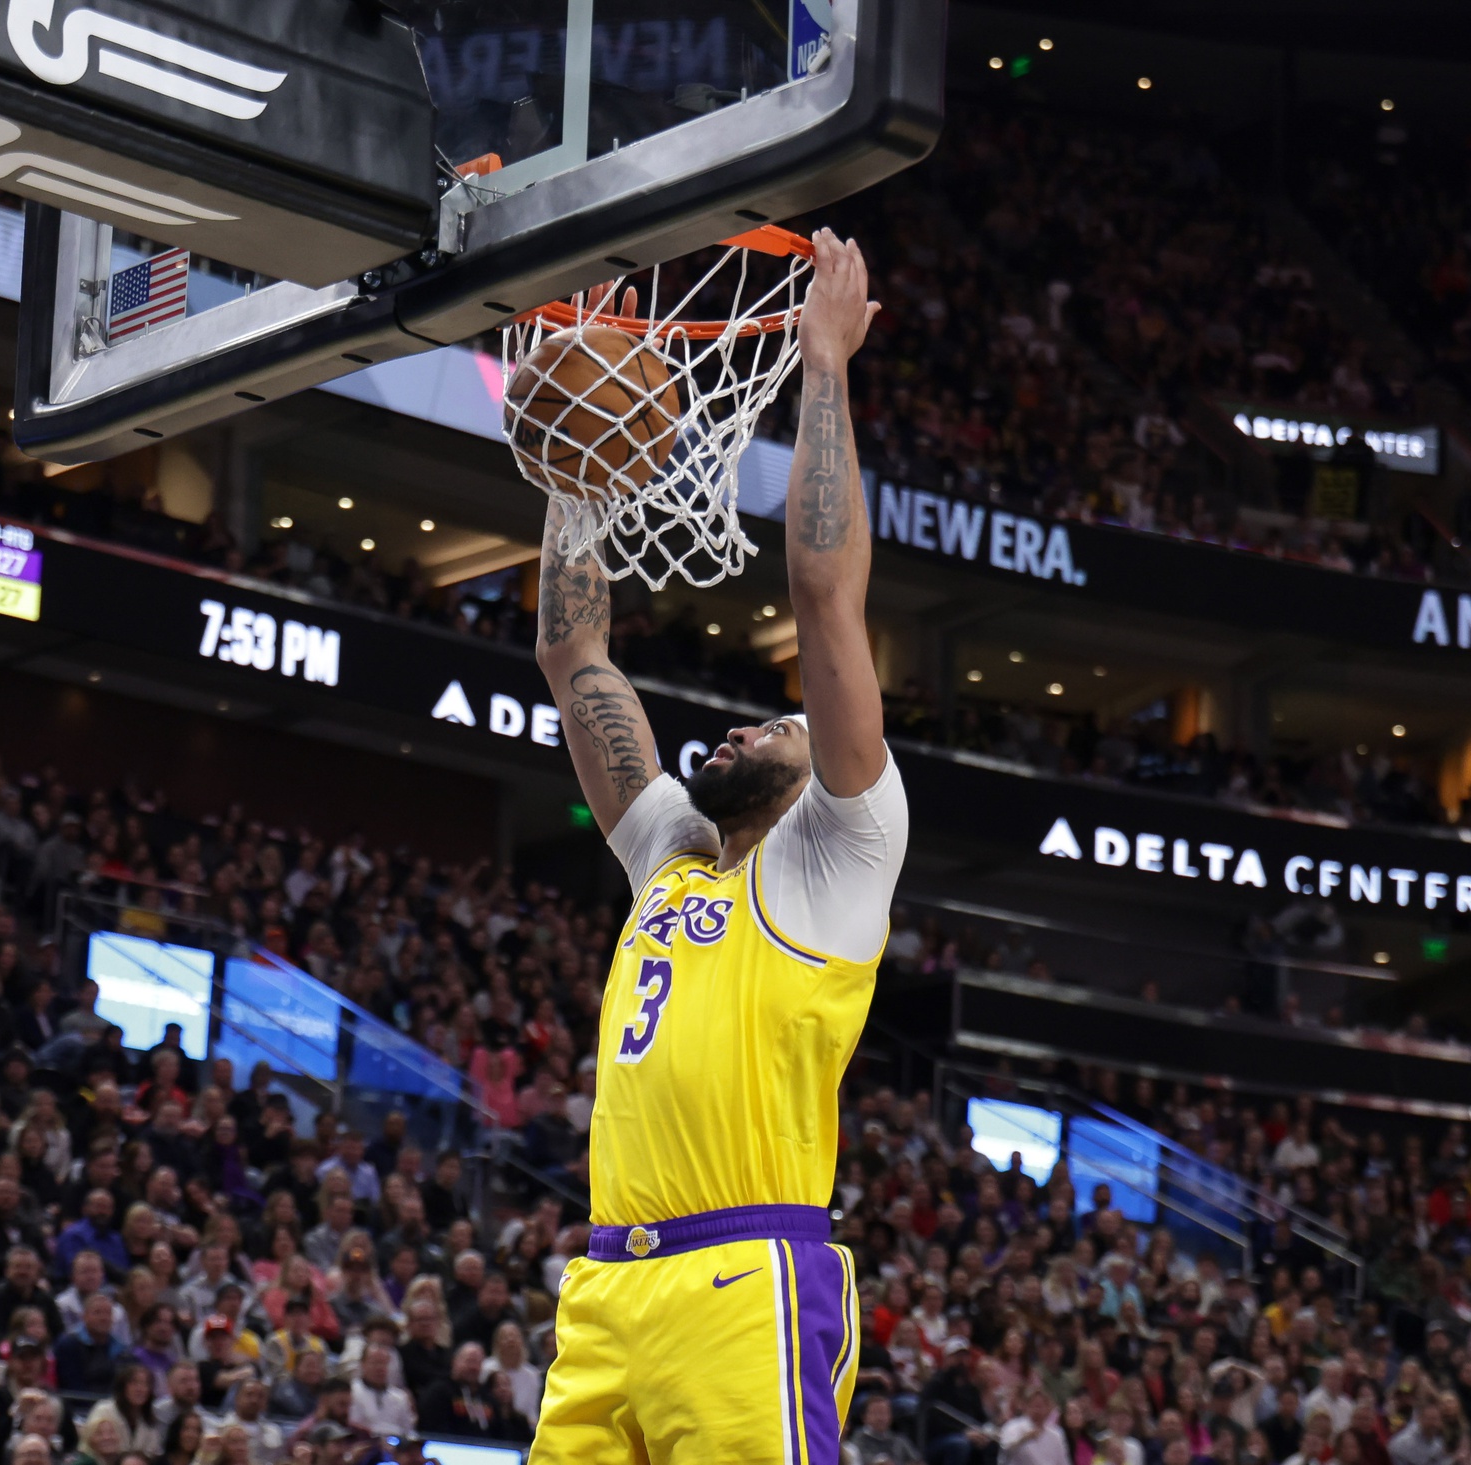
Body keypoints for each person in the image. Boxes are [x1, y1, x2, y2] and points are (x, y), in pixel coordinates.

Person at [524, 230, 904, 1465]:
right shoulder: (671, 858)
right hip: (602, 1294)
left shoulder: (837, 852)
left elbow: (823, 601)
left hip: (746, 1278)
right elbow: (574, 659)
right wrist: (577, 470)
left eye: (777, 719)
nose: (744, 722)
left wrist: (824, 364)